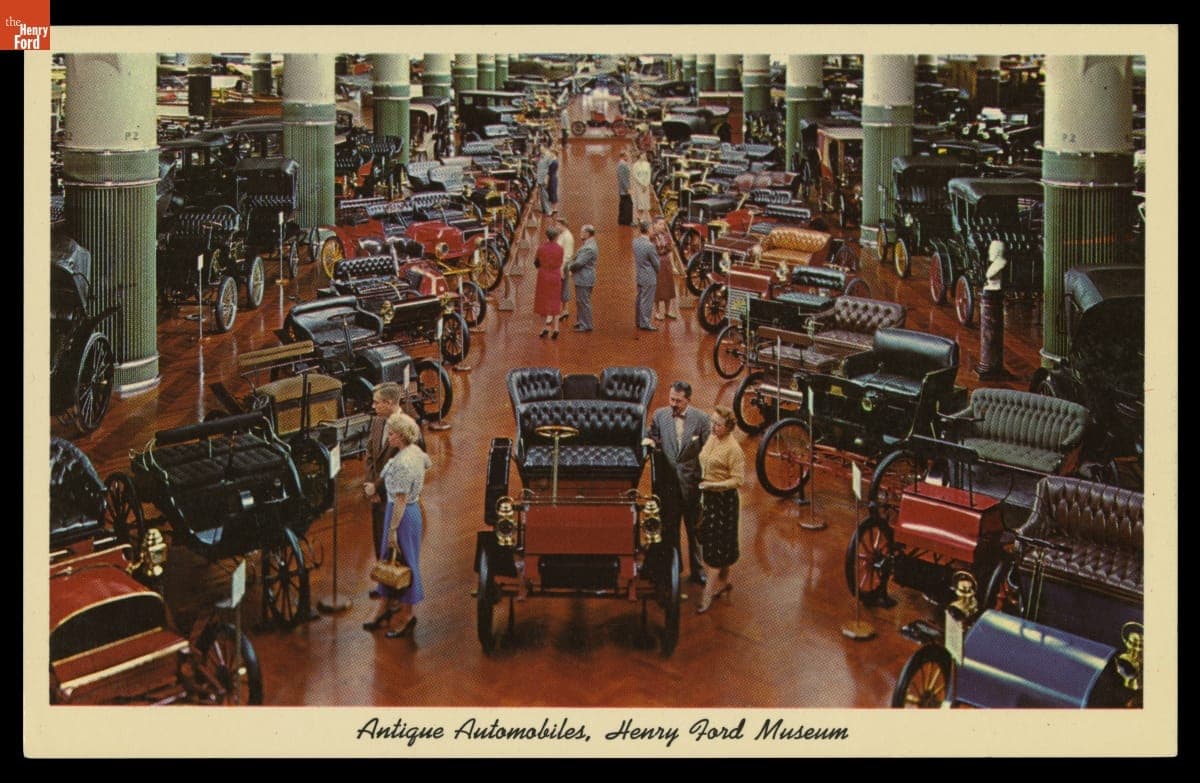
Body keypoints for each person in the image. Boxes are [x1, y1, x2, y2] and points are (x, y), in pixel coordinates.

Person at [363, 411, 432, 638]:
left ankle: (407, 616)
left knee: (407, 563)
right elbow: (427, 465)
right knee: (390, 558)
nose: (389, 437)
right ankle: (385, 605)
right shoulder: (416, 453)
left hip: (401, 515)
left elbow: (401, 499)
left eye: (391, 434)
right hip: (409, 512)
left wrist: (392, 530)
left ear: (400, 436)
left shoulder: (402, 463)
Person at [643, 381, 711, 585]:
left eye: (678, 401)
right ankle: (675, 568)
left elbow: (708, 452)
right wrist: (649, 441)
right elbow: (653, 436)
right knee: (671, 529)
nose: (673, 404)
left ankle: (698, 571)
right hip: (669, 486)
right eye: (671, 399)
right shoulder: (659, 415)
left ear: (688, 401)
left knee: (694, 531)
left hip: (692, 486)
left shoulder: (702, 419)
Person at [695, 405, 745, 614]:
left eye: (718, 424)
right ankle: (723, 582)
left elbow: (738, 480)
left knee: (716, 547)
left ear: (729, 427)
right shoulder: (713, 438)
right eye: (712, 422)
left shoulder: (733, 449)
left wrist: (713, 485)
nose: (713, 427)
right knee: (716, 540)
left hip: (724, 501)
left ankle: (707, 595)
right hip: (708, 497)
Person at [363, 382, 402, 599]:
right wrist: (371, 486)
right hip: (377, 495)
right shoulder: (378, 421)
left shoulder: (407, 427)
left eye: (377, 402)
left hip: (395, 496)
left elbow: (399, 467)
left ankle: (398, 589)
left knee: (397, 542)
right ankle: (385, 583)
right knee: (379, 538)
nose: (373, 405)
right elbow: (370, 454)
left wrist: (377, 487)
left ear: (389, 403)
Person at [534, 225, 566, 338]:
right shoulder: (560, 249)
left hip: (543, 276)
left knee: (543, 302)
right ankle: (556, 328)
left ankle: (544, 328)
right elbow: (561, 261)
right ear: (556, 236)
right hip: (555, 275)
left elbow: (536, 263)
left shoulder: (541, 248)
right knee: (555, 301)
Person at [650, 216, 681, 320]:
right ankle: (657, 312)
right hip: (656, 263)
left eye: (663, 224)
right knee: (658, 288)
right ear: (654, 225)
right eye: (660, 224)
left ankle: (667, 311)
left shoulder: (667, 236)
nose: (662, 226)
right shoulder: (651, 237)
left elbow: (670, 251)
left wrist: (673, 266)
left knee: (668, 287)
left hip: (666, 263)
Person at [568, 224, 597, 332]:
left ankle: (586, 325)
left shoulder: (589, 247)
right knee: (581, 301)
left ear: (587, 233)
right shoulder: (589, 244)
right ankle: (581, 321)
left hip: (584, 278)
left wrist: (570, 268)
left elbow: (579, 262)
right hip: (583, 277)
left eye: (582, 232)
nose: (580, 234)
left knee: (584, 301)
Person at [632, 220, 659, 331]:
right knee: (647, 300)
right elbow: (656, 263)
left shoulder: (635, 242)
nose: (653, 231)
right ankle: (645, 322)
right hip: (649, 276)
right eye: (652, 229)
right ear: (647, 230)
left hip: (640, 274)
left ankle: (638, 320)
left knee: (640, 298)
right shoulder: (650, 246)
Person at [555, 217, 575, 321]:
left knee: (564, 287)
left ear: (563, 225)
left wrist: (562, 268)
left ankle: (564, 310)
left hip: (564, 265)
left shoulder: (567, 237)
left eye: (558, 225)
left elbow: (567, 254)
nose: (556, 226)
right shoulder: (563, 235)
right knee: (562, 287)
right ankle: (563, 309)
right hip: (561, 265)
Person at [631, 151, 652, 225]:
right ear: (640, 156)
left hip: (646, 187)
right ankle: (639, 218)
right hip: (639, 187)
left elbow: (649, 175)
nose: (644, 156)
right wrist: (642, 184)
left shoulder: (647, 164)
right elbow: (635, 176)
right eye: (643, 155)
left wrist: (646, 184)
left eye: (645, 155)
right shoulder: (635, 165)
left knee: (645, 203)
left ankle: (642, 218)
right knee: (640, 203)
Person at [616, 150, 633, 226]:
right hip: (624, 190)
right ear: (623, 156)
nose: (628, 157)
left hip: (622, 189)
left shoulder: (621, 164)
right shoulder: (622, 165)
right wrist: (627, 188)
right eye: (627, 156)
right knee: (628, 205)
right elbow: (623, 178)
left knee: (623, 204)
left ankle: (622, 220)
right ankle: (627, 221)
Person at [546, 147, 560, 216]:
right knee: (553, 193)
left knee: (552, 193)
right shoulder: (555, 161)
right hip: (554, 177)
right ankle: (555, 208)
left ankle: (552, 209)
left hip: (552, 178)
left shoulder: (553, 162)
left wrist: (546, 181)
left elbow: (549, 172)